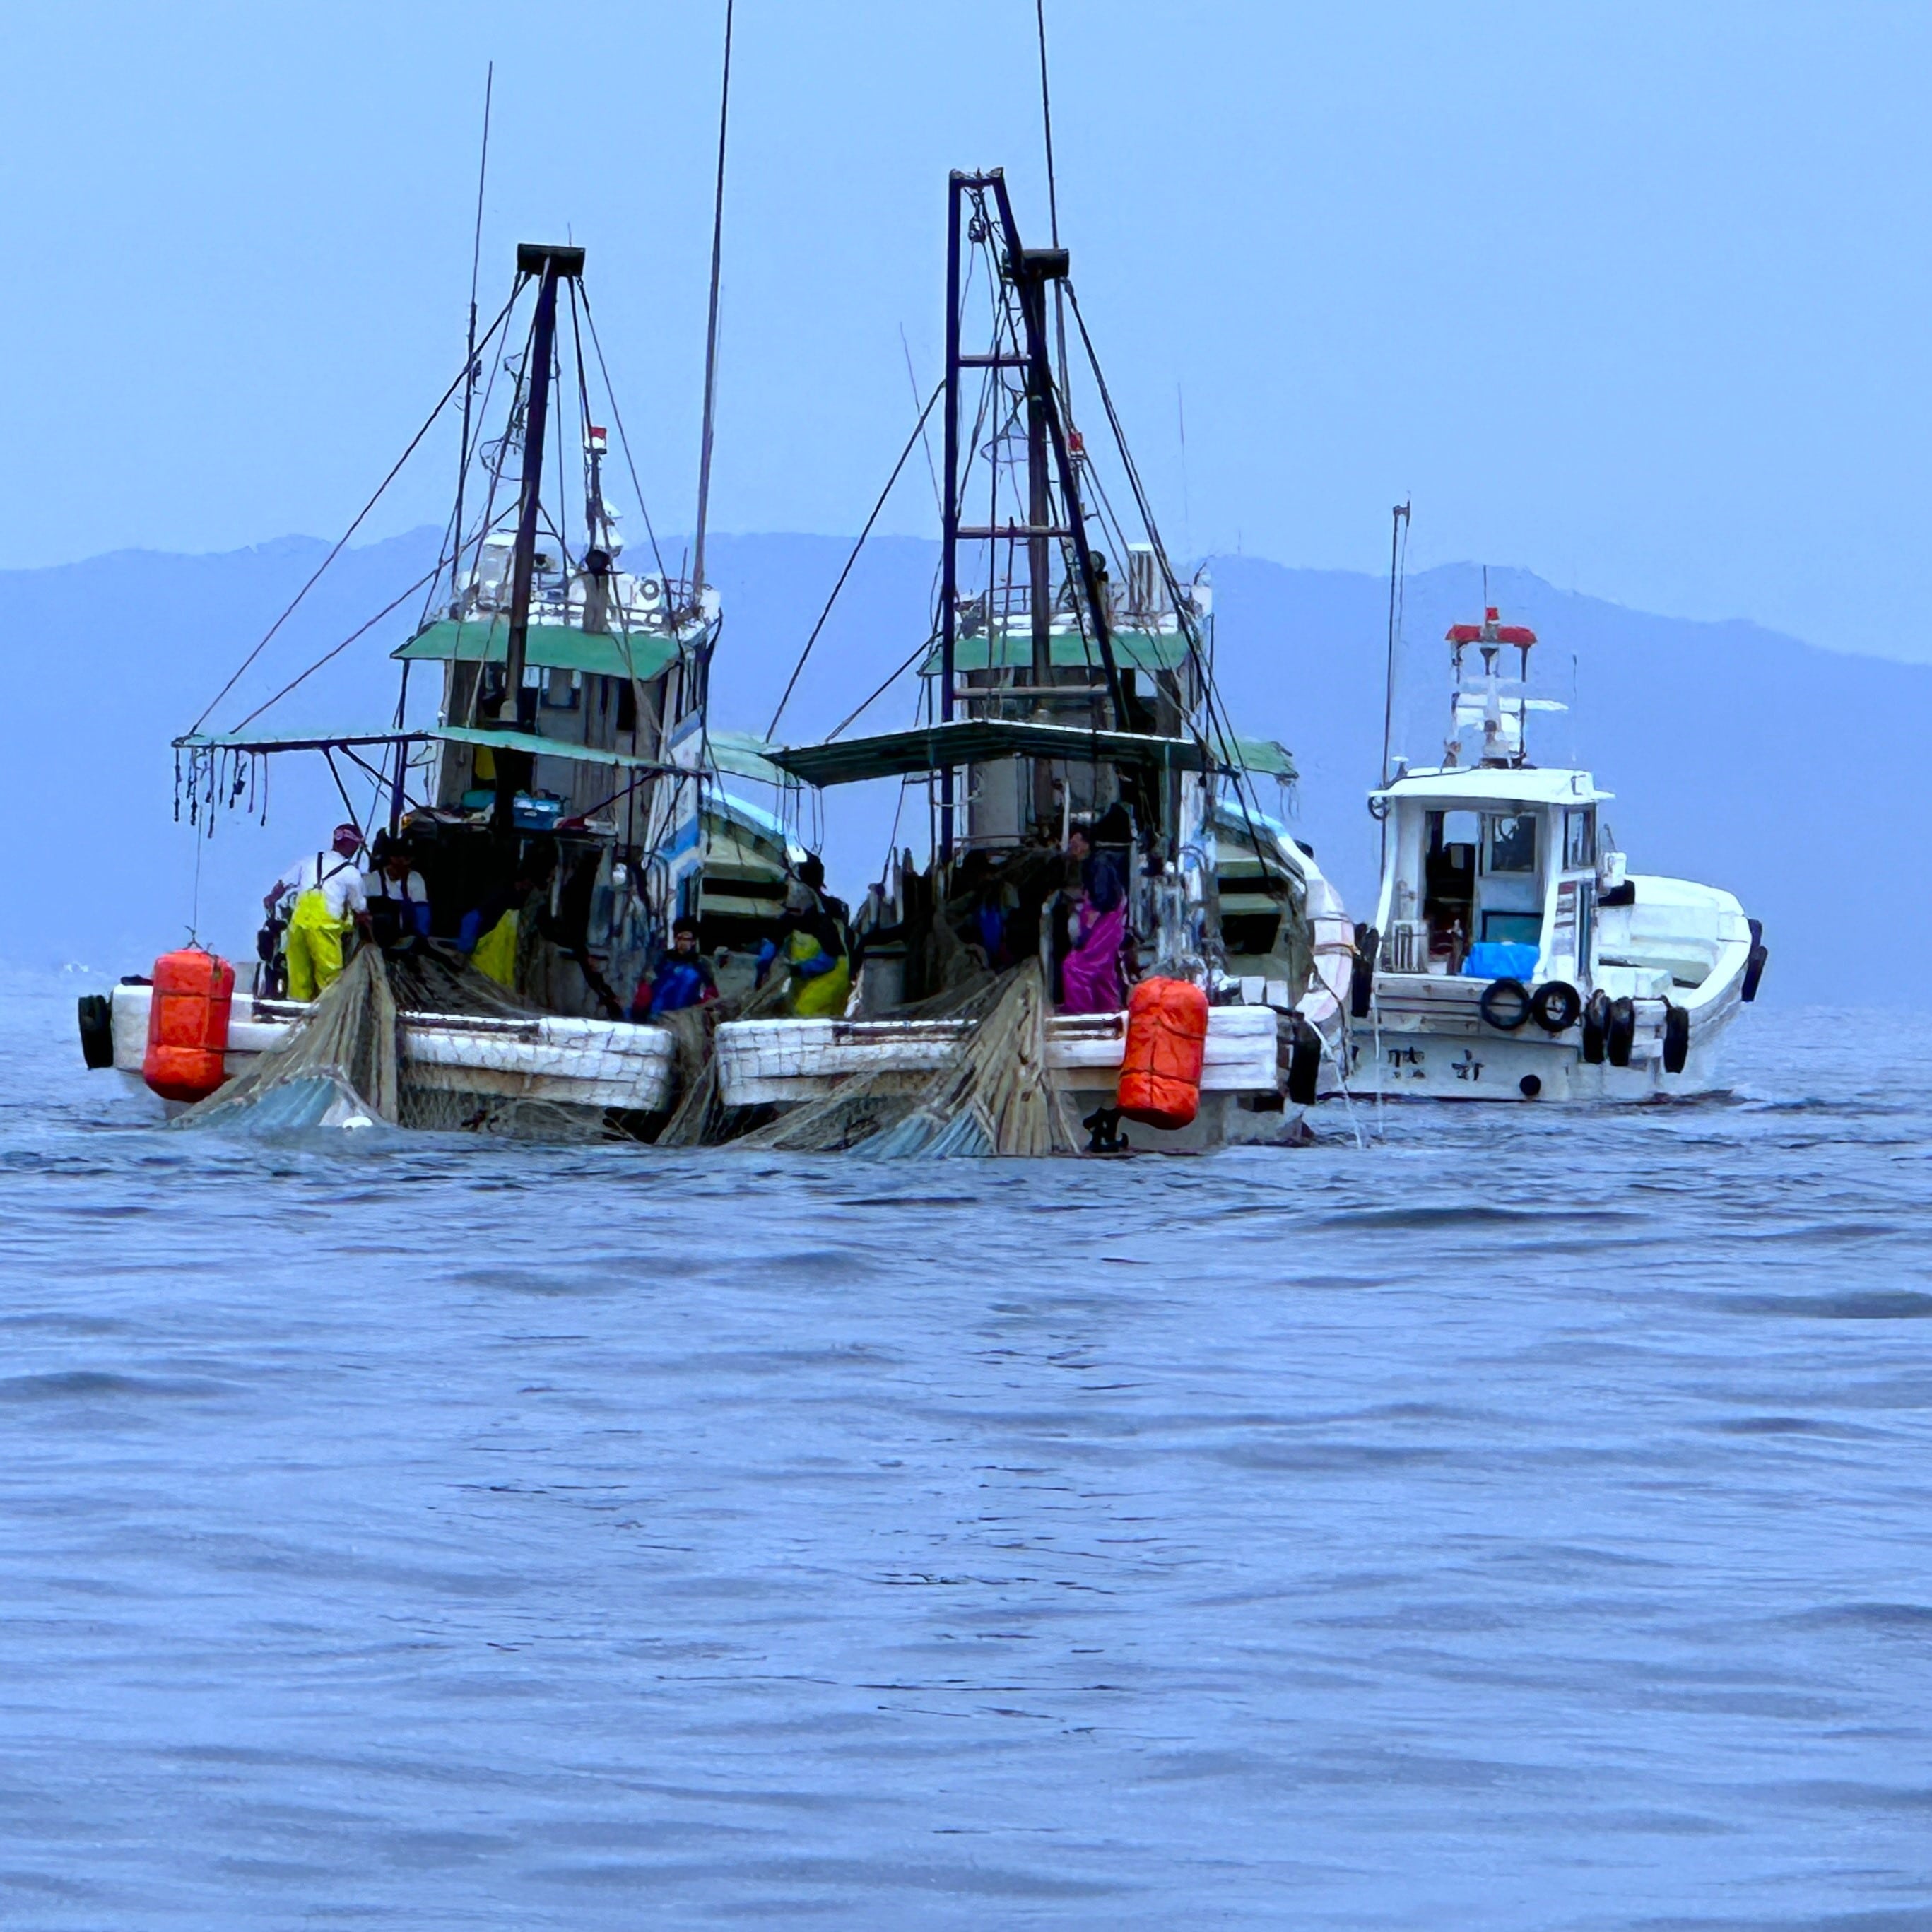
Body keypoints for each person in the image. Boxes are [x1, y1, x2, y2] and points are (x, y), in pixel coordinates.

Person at [265, 823, 372, 1002]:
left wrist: (270, 900)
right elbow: (360, 909)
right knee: (330, 978)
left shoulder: (308, 861)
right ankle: (326, 1019)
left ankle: (297, 1012)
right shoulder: (351, 873)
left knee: (298, 975)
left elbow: (280, 887)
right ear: (352, 844)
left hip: (297, 926)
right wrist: (372, 934)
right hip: (325, 929)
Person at [757, 865, 852, 1018]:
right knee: (791, 1011)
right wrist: (763, 964)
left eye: (796, 912)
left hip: (830, 976)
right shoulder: (789, 919)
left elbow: (829, 960)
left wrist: (799, 969)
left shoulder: (824, 925)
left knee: (807, 1013)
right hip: (803, 979)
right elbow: (774, 940)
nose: (792, 915)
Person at [1059, 823, 1128, 1014]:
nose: (1073, 849)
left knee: (1075, 967)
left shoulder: (1099, 863)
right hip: (1106, 923)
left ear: (1085, 842)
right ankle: (1108, 1010)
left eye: (1075, 843)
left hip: (1104, 924)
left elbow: (1102, 900)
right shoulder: (1093, 863)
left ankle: (1080, 1013)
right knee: (1102, 972)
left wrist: (1087, 930)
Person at [630, 919, 719, 1020]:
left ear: (693, 941)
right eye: (679, 938)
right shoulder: (662, 960)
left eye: (686, 939)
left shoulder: (701, 965)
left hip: (684, 1020)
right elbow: (646, 986)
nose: (682, 942)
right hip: (657, 1017)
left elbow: (710, 995)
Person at [363, 841, 432, 944]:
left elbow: (422, 913)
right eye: (404, 860)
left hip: (405, 939)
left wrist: (420, 938)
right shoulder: (370, 880)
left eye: (409, 860)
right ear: (392, 859)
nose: (406, 864)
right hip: (374, 940)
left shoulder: (416, 879)